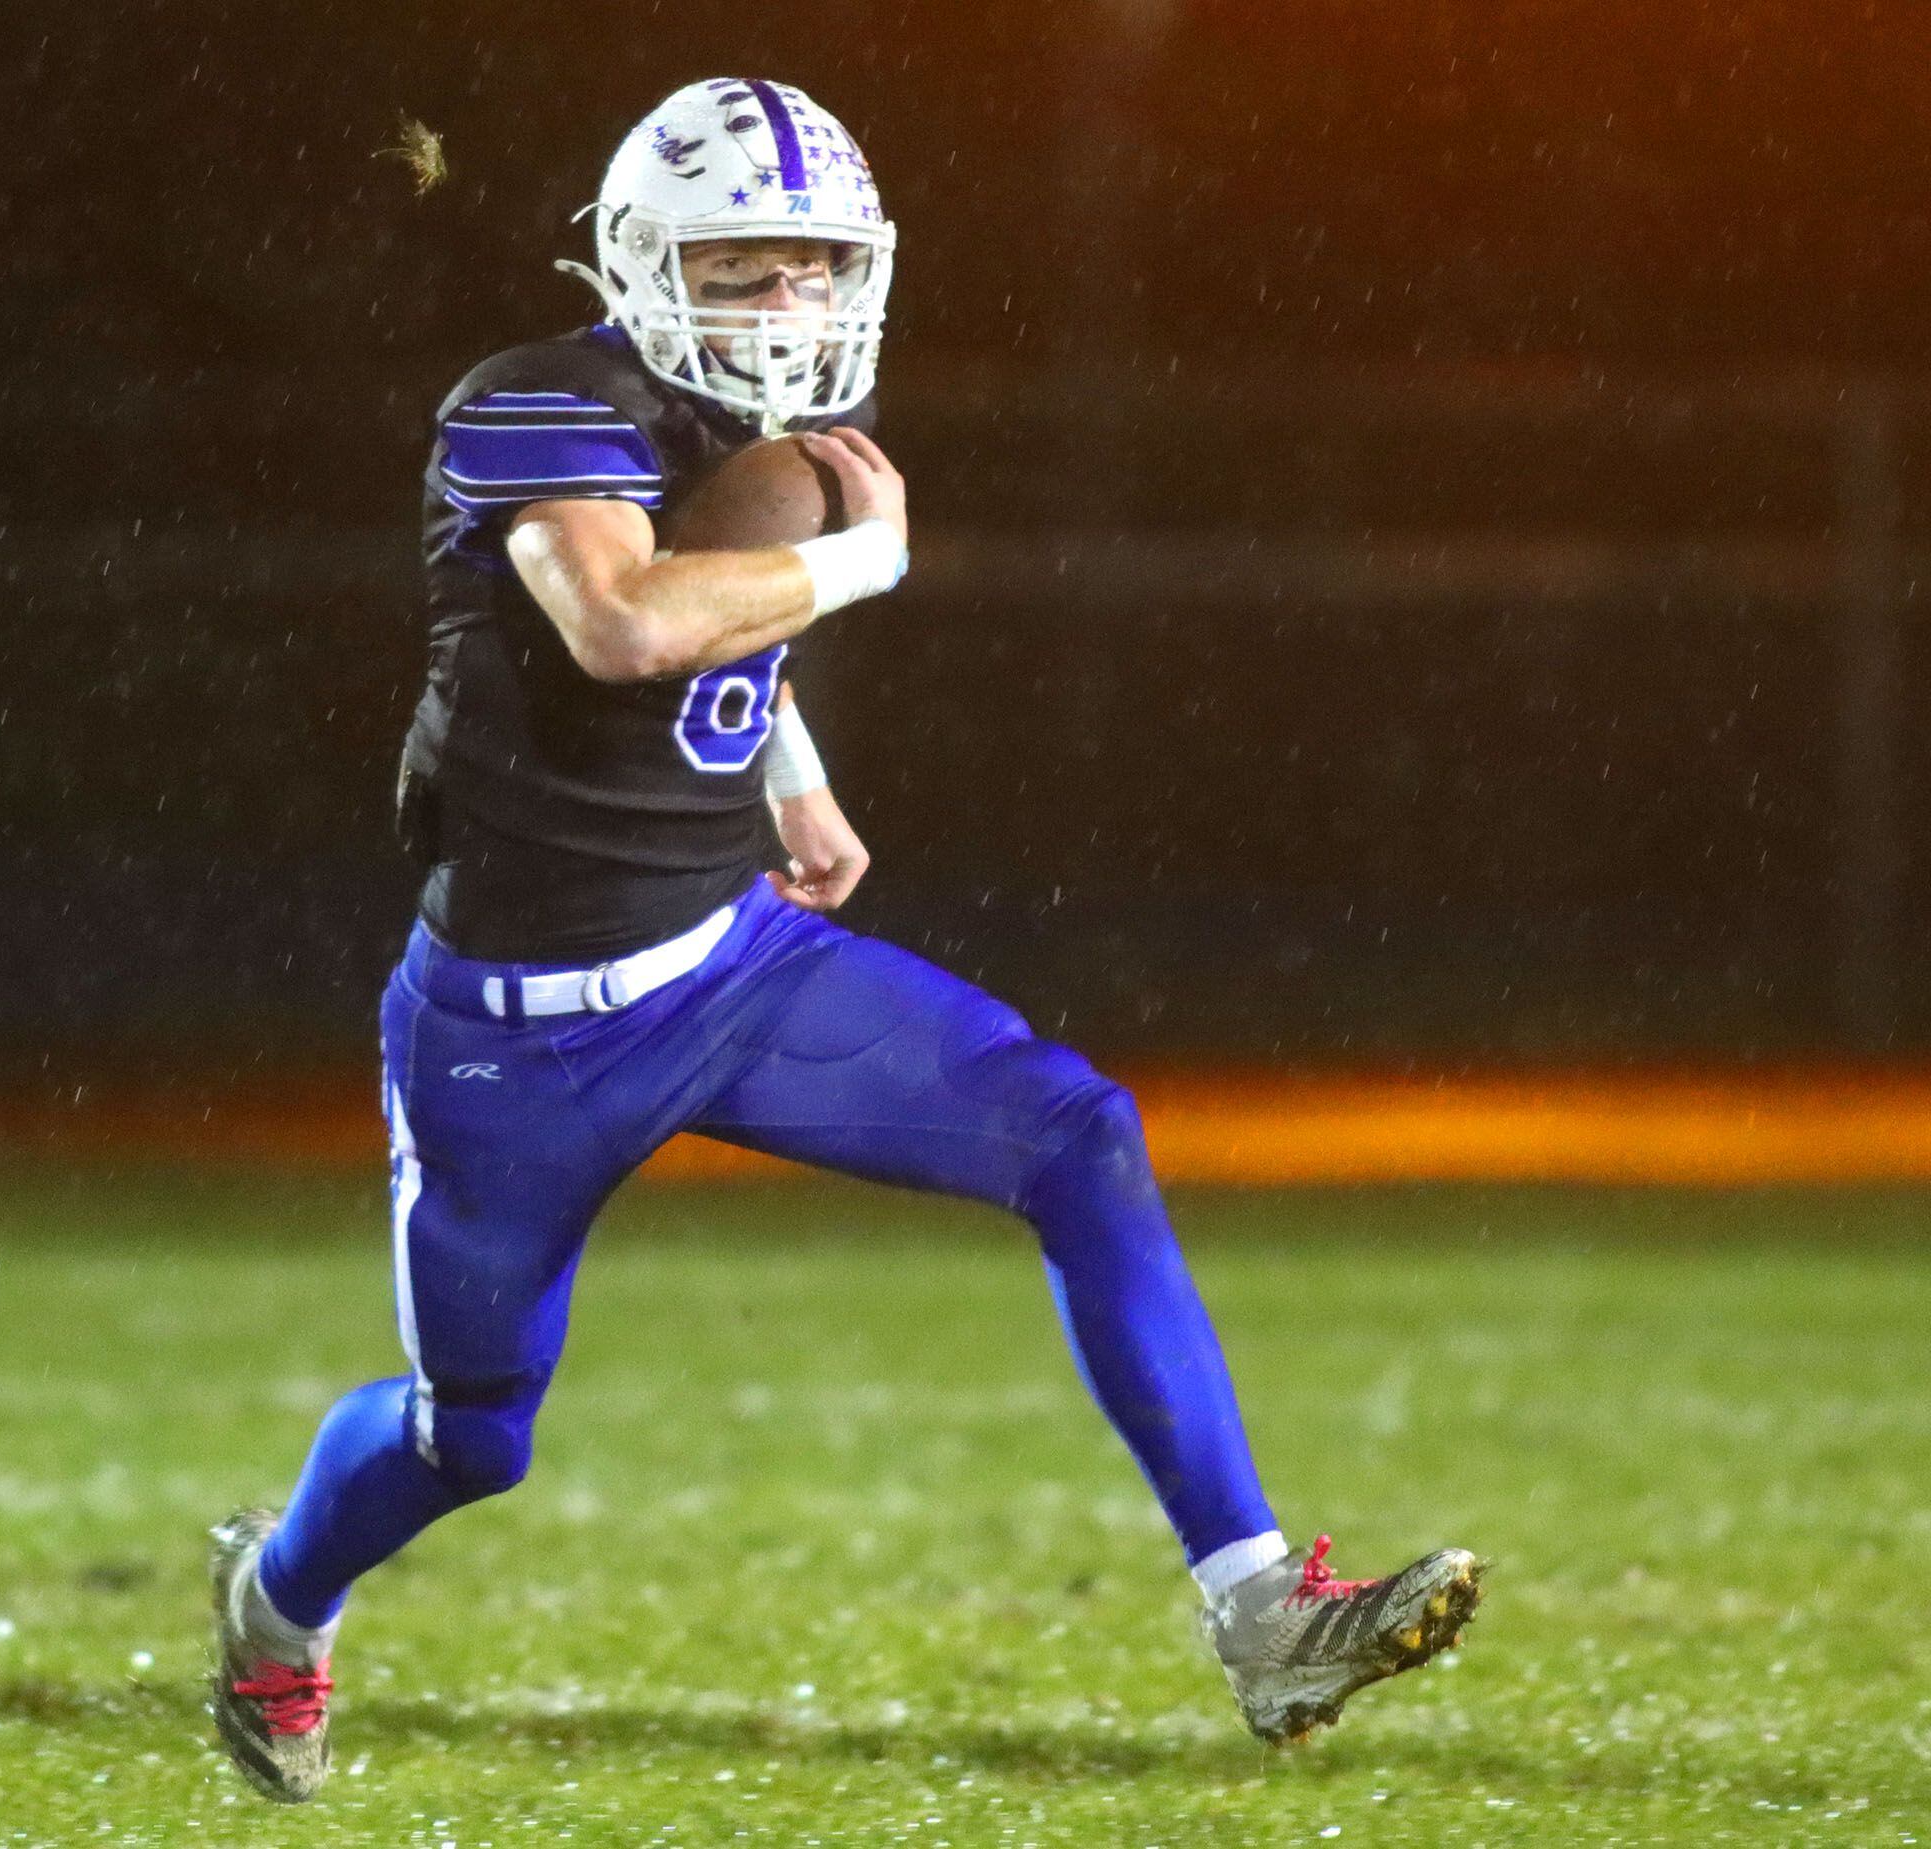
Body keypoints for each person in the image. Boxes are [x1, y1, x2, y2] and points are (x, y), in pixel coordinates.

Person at [205, 78, 1482, 1804]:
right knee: (470, 1436)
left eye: (814, 269)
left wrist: (791, 773)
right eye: (741, 269)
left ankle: (1262, 1610)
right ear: (648, 262)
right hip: (518, 1030)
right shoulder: (535, 401)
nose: (787, 309)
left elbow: (737, 627)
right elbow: (621, 619)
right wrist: (864, 566)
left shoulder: (806, 416)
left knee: (1079, 1133)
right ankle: (278, 1599)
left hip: (731, 967)